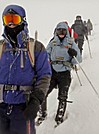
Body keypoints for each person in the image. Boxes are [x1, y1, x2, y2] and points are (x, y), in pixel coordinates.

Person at [0, 4, 51, 134]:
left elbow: (44, 75)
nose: (11, 23)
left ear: (23, 20)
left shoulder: (35, 48)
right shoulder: (1, 48)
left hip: (23, 107)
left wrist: (36, 100)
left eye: (14, 19)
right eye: (7, 19)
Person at [38, 22, 82, 125]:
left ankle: (59, 116)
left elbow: (78, 60)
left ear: (67, 32)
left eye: (63, 31)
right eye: (59, 30)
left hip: (65, 73)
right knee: (43, 93)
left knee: (62, 96)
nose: (61, 33)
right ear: (56, 31)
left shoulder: (71, 43)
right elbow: (46, 55)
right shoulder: (52, 43)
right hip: (52, 72)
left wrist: (74, 54)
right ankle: (42, 114)